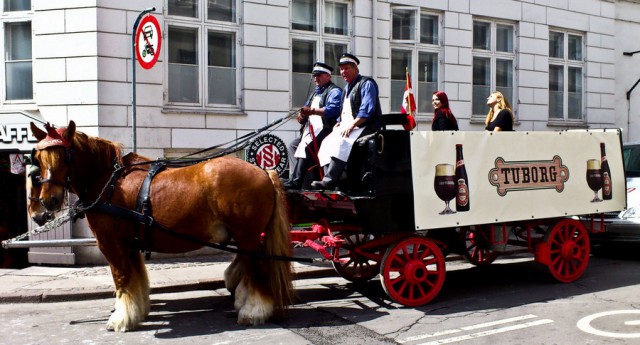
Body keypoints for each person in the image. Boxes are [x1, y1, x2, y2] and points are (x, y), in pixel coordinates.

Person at [311, 53, 382, 190]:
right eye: (342, 69)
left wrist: (352, 125)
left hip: (365, 125)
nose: (344, 72)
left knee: (343, 141)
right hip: (349, 125)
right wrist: (339, 121)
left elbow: (366, 111)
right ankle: (335, 180)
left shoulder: (367, 84)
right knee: (327, 142)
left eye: (347, 68)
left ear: (356, 68)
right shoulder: (346, 88)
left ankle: (330, 180)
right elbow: (345, 111)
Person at [284, 62, 343, 190]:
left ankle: (296, 182)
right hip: (311, 132)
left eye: (319, 75)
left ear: (328, 76)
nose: (316, 78)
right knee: (293, 145)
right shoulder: (315, 94)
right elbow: (306, 109)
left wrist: (312, 111)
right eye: (314, 76)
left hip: (327, 130)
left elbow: (333, 110)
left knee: (306, 147)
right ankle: (298, 177)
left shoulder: (334, 92)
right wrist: (302, 116)